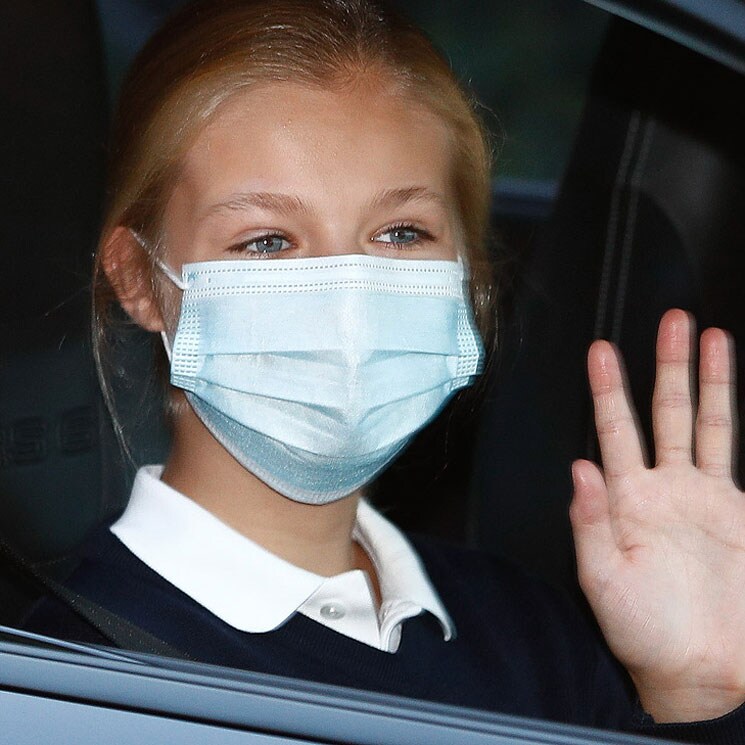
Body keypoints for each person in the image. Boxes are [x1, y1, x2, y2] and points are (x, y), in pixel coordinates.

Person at [23, 0, 745, 740]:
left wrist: (692, 688)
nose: (348, 299)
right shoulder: (69, 679)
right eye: (267, 241)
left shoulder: (538, 630)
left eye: (401, 232)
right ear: (141, 280)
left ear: (468, 275)